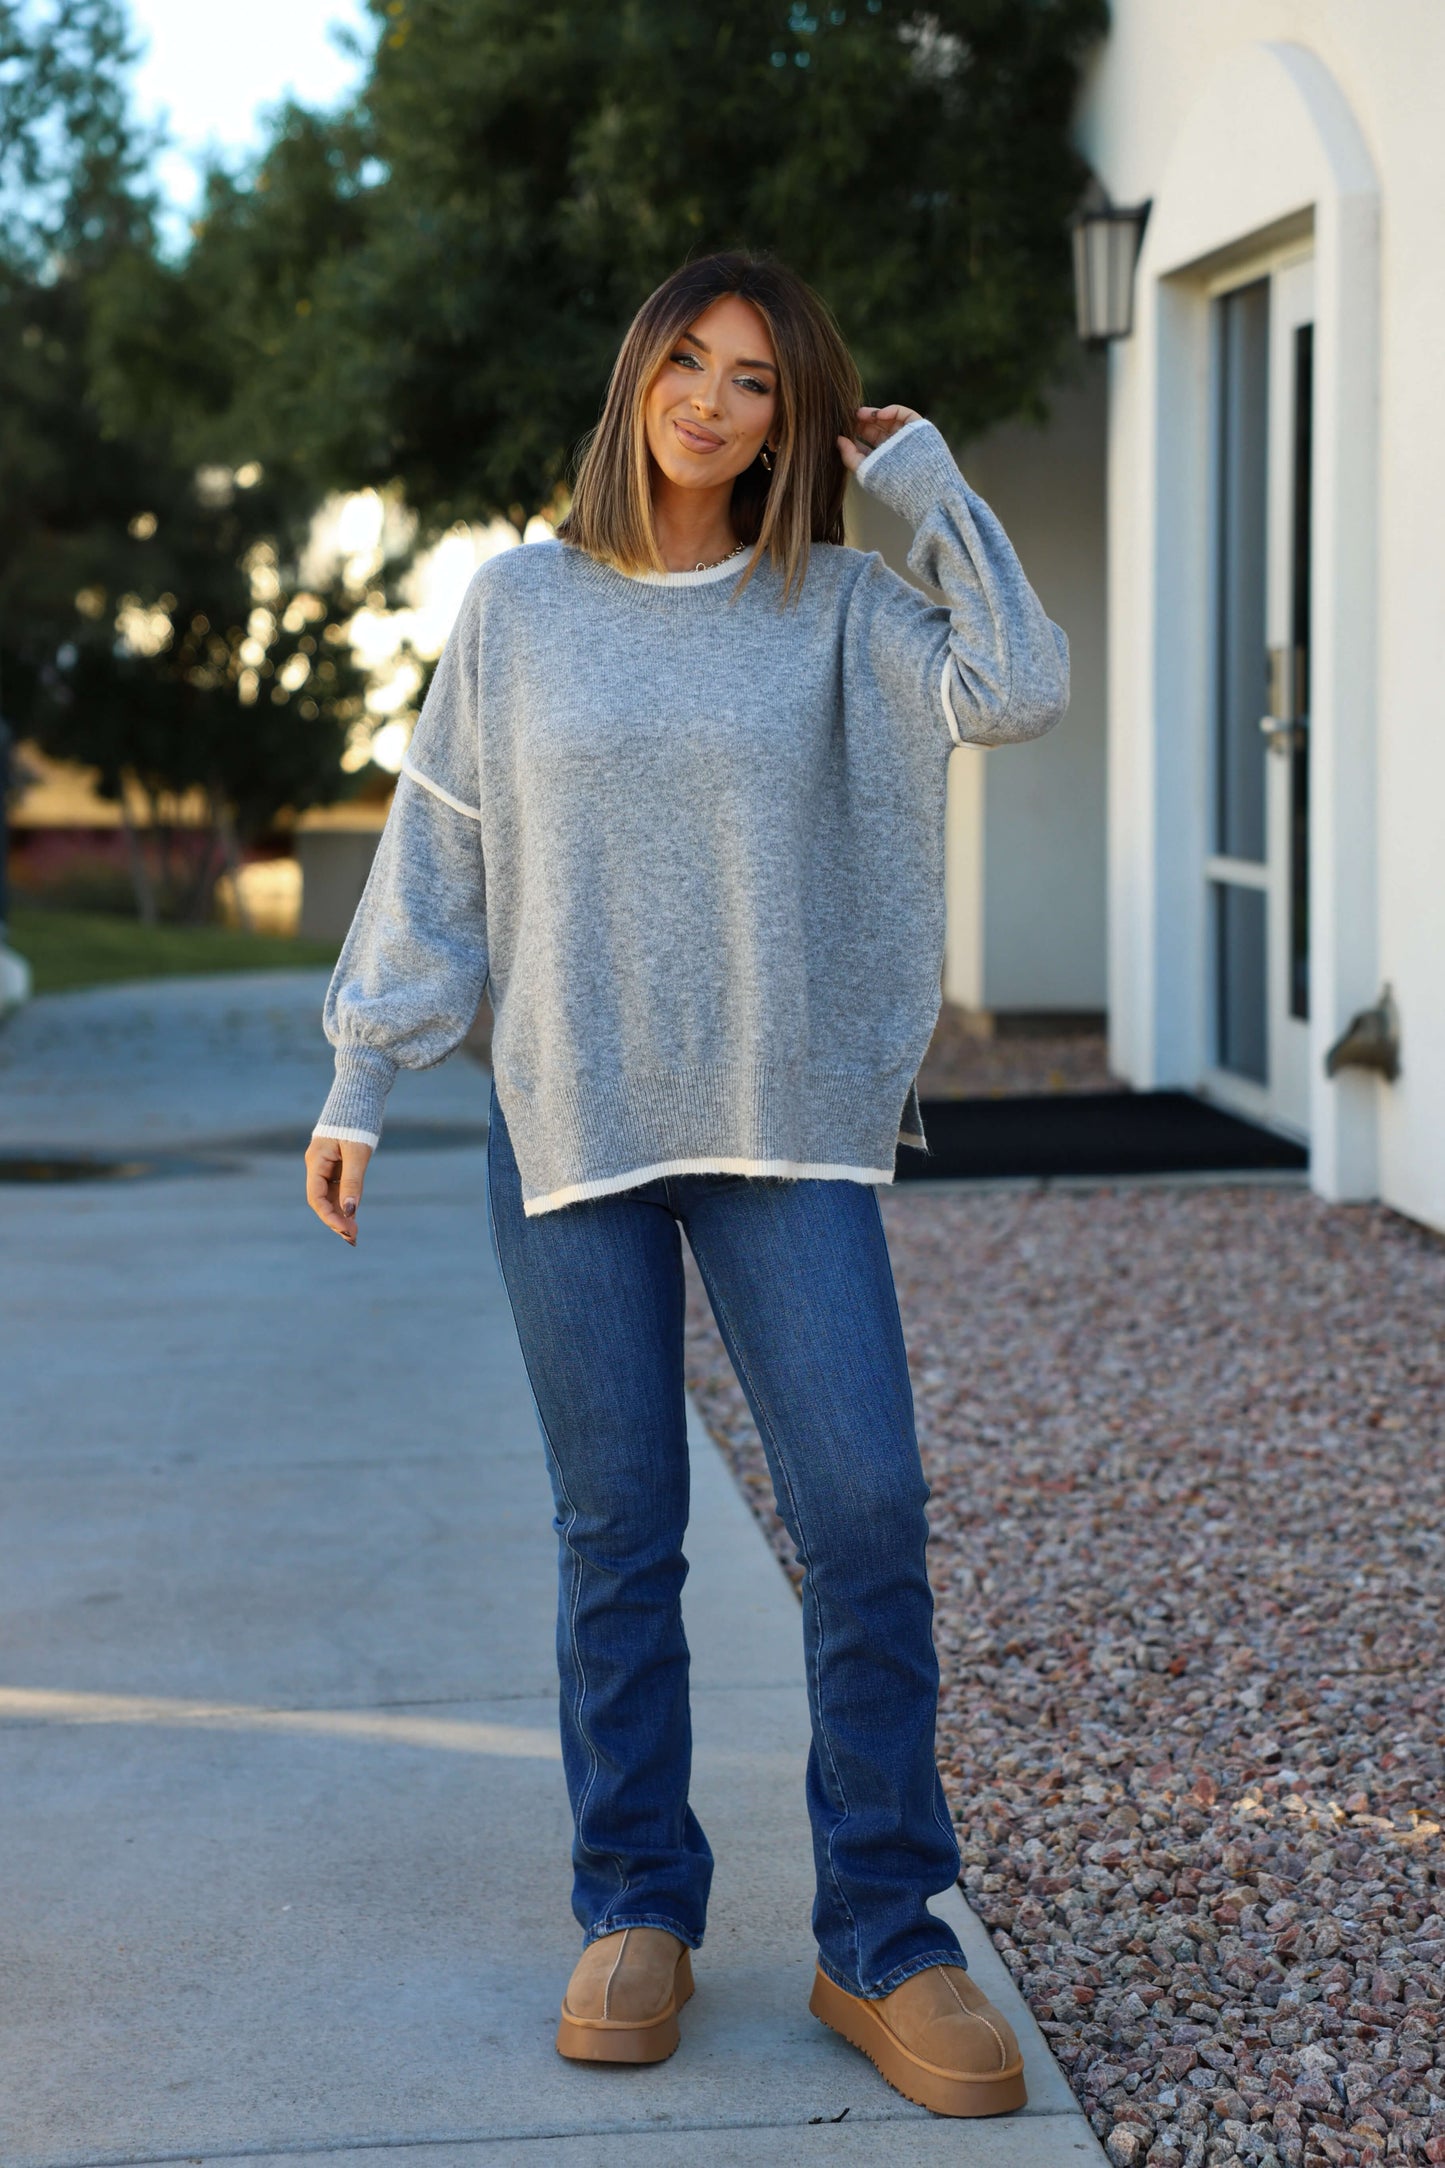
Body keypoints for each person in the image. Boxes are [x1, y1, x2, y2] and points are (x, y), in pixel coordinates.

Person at [305, 251, 1068, 2118]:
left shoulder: (836, 608)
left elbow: (1019, 687)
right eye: (690, 364)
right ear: (637, 374)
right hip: (567, 1127)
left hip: (782, 1128)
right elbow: (442, 850)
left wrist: (927, 485)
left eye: (758, 383)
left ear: (795, 421)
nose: (714, 403)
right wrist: (361, 1073)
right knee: (615, 1540)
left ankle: (883, 1932)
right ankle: (636, 1901)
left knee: (867, 1514)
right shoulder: (520, 607)